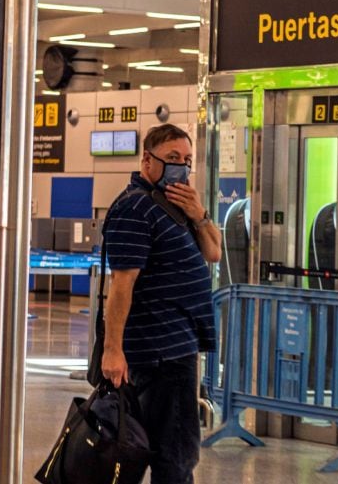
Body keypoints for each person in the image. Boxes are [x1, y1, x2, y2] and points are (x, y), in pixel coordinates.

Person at [100, 123, 221, 484]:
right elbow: (122, 285)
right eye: (171, 158)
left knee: (176, 453)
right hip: (159, 355)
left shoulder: (175, 205)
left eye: (186, 160)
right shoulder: (135, 208)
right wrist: (112, 350)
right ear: (146, 160)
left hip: (176, 349)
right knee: (175, 458)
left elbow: (213, 251)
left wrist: (199, 214)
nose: (180, 167)